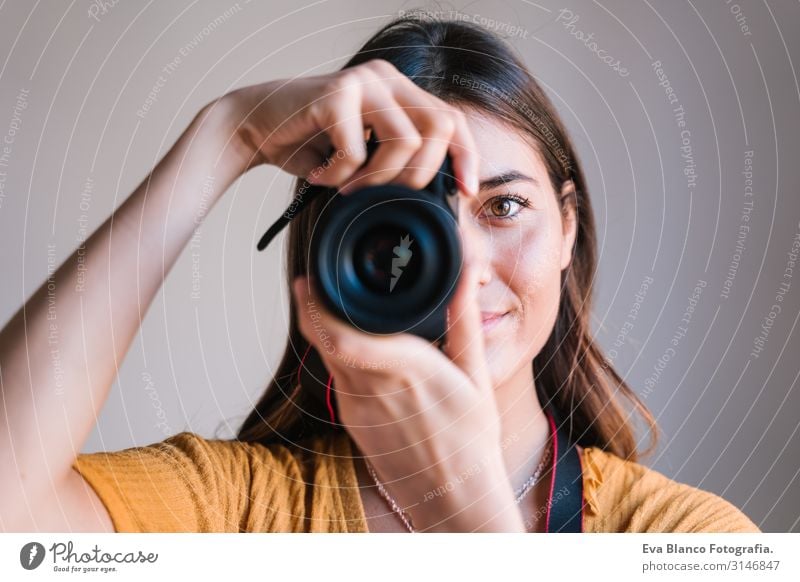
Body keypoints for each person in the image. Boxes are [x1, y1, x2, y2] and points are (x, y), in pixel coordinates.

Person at [0, 14, 760, 533]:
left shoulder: (678, 534)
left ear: (567, 227)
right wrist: (224, 134)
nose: (461, 273)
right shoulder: (244, 508)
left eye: (503, 206)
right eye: (409, 223)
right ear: (336, 252)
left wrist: (474, 529)